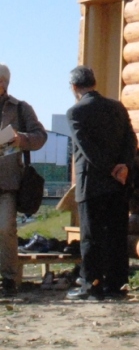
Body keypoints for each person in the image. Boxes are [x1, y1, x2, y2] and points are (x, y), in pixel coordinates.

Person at [66, 66, 137, 300]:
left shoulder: (76, 112)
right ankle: (116, 285)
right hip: (120, 183)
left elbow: (87, 150)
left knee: (91, 237)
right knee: (117, 234)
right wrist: (123, 166)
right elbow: (131, 139)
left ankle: (91, 285)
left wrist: (109, 169)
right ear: (94, 83)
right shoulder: (117, 107)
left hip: (92, 183)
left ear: (74, 87)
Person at [0, 64, 48, 297]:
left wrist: (21, 139)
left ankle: (9, 280)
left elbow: (40, 137)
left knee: (5, 229)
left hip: (7, 183)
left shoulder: (21, 109)